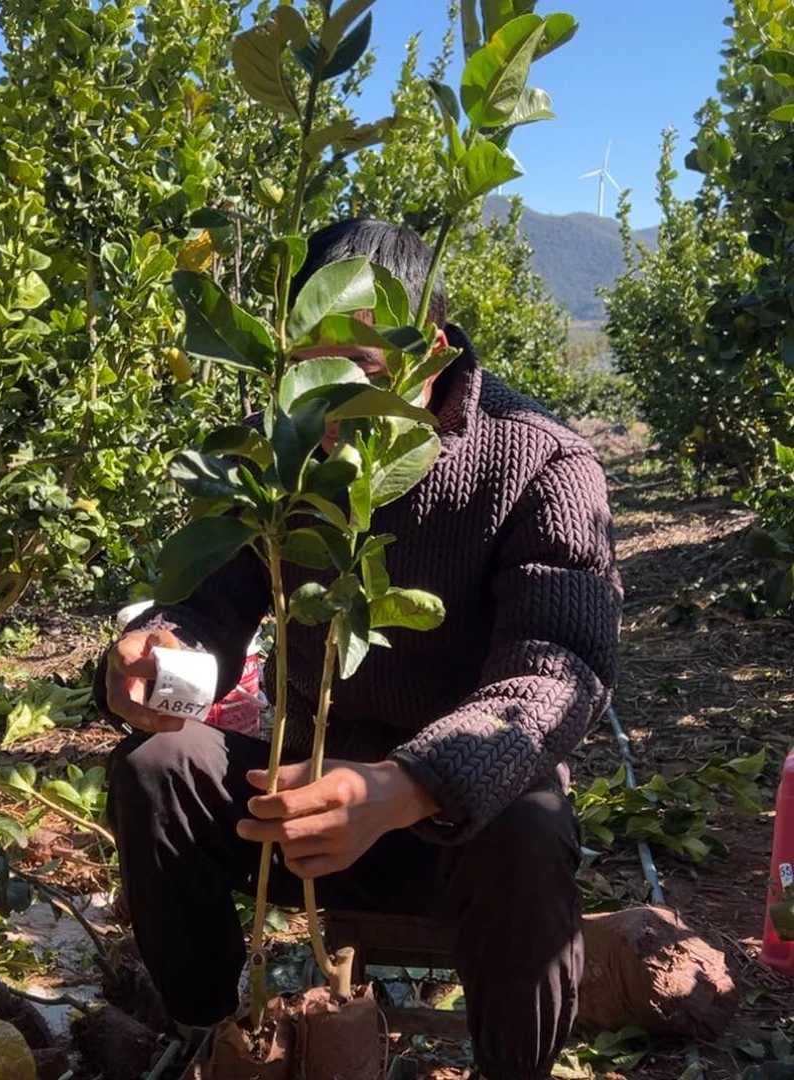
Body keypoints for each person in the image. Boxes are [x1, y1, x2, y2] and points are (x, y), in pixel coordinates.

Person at [97, 218, 622, 1080]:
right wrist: (157, 658)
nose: (333, 403)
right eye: (310, 370)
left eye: (366, 376)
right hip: (306, 800)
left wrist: (404, 787)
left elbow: (557, 666)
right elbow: (209, 608)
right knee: (156, 769)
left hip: (461, 826)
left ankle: (513, 1068)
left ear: (434, 355)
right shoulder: (289, 463)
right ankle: (213, 1034)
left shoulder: (543, 466)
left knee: (528, 828)